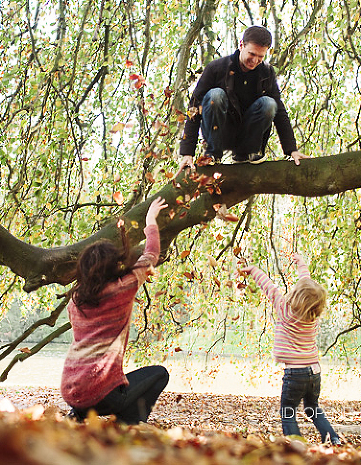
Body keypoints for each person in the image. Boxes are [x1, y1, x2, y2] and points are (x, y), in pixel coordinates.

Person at [61, 197, 170, 424]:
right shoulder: (122, 289)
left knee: (119, 383)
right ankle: (129, 422)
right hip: (102, 396)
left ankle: (79, 413)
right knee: (159, 374)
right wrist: (150, 219)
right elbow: (151, 255)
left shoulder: (75, 299)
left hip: (71, 392)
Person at [240, 252, 340, 445]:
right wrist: (301, 263)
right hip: (315, 371)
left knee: (287, 412)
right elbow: (306, 282)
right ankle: (333, 438)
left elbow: (268, 286)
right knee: (312, 409)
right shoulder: (313, 315)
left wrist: (253, 270)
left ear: (295, 294)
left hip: (295, 373)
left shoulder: (284, 309)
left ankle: (296, 446)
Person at [178, 25, 309, 170]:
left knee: (270, 104)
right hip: (221, 131)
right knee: (216, 95)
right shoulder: (216, 68)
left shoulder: (266, 73)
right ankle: (213, 154)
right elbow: (194, 108)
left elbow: (280, 112)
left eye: (261, 56)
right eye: (252, 54)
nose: (255, 60)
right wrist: (187, 153)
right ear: (241, 45)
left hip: (248, 134)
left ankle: (246, 154)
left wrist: (292, 150)